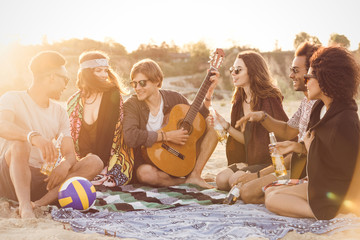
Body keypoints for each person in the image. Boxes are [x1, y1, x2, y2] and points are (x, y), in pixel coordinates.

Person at [0, 51, 103, 218]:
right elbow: (2, 125)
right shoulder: (12, 98)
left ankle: (38, 204)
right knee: (20, 144)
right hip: (10, 177)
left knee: (94, 162)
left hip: (42, 181)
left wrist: (65, 165)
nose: (66, 85)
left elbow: (69, 154)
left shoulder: (60, 112)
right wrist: (33, 137)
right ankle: (25, 207)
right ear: (52, 77)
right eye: (66, 79)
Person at [265, 46, 360, 220]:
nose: (305, 81)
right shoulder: (320, 108)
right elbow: (323, 147)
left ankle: (326, 213)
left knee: (272, 200)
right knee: (270, 190)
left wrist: (311, 147)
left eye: (309, 77)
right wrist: (298, 146)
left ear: (325, 79)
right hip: (320, 183)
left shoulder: (345, 120)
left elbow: (346, 169)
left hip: (335, 191)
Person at [232, 42, 319, 203]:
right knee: (243, 188)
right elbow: (287, 130)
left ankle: (287, 193)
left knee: (248, 192)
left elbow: (300, 153)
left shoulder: (319, 105)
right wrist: (262, 117)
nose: (291, 75)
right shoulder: (306, 103)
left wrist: (258, 175)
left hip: (305, 169)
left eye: (295, 70)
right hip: (295, 164)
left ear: (312, 72)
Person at [123, 59, 219, 189]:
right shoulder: (131, 105)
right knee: (144, 174)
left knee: (212, 129)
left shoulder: (175, 98)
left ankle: (195, 174)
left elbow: (196, 120)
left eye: (142, 83)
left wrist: (208, 94)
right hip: (150, 163)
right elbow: (130, 136)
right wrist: (167, 136)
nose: (137, 88)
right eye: (134, 84)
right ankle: (186, 182)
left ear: (157, 80)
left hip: (178, 157)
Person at [213, 50, 289, 191]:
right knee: (221, 180)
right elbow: (248, 140)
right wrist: (226, 126)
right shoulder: (239, 101)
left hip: (269, 162)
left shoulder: (269, 99)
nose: (233, 73)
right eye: (232, 70)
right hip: (250, 160)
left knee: (235, 181)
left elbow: (281, 136)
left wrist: (251, 166)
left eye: (238, 70)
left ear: (252, 71)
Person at [67, 51, 134, 188]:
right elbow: (73, 138)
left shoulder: (112, 95)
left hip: (109, 158)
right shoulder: (73, 101)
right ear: (87, 73)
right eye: (99, 71)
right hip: (84, 159)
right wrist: (87, 161)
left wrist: (100, 164)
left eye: (105, 70)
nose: (104, 75)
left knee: (104, 180)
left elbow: (109, 135)